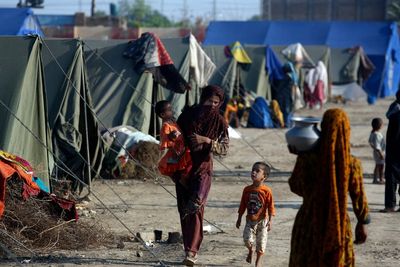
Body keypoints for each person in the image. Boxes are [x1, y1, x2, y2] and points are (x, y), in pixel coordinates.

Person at [288, 108, 370, 267]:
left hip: (308, 222)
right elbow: (359, 196)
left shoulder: (307, 159)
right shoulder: (352, 164)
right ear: (347, 131)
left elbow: (295, 187)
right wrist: (363, 222)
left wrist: (300, 156)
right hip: (338, 224)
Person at [175, 85, 229, 266]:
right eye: (209, 101)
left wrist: (207, 141)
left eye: (216, 102)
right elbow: (175, 139)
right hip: (183, 169)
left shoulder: (220, 122)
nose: (212, 105)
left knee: (196, 206)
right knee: (184, 210)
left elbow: (224, 149)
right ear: (202, 99)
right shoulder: (187, 116)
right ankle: (188, 250)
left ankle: (192, 251)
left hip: (203, 168)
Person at [236, 162, 275, 267]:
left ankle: (258, 263)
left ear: (264, 176)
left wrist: (270, 221)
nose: (253, 172)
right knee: (246, 239)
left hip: (262, 221)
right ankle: (250, 250)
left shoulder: (267, 191)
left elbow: (271, 207)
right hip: (250, 220)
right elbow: (242, 205)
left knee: (261, 243)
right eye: (253, 170)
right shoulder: (247, 190)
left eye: (257, 171)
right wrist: (239, 218)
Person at [155, 100, 191, 186]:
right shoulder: (166, 126)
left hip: (181, 148)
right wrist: (171, 136)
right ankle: (182, 178)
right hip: (176, 150)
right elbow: (165, 137)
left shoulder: (173, 123)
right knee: (178, 165)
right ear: (163, 115)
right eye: (169, 110)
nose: (172, 111)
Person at [381, 90, 400, 212]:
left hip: (394, 148)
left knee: (391, 177)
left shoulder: (395, 107)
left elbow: (387, 115)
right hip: (395, 147)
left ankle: (390, 205)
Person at [368, 117, 385, 184]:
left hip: (376, 152)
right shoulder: (377, 134)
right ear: (380, 125)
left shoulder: (373, 133)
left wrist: (374, 148)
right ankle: (381, 179)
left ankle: (375, 179)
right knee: (381, 166)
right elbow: (377, 146)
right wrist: (381, 154)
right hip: (379, 153)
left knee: (377, 166)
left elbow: (370, 142)